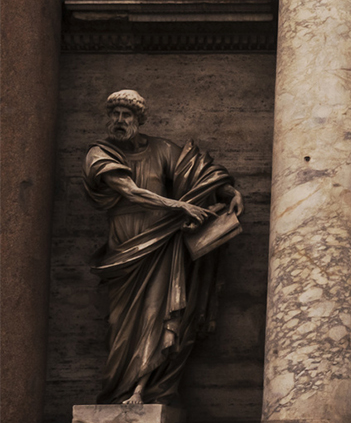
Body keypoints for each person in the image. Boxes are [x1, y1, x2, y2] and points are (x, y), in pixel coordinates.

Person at [83, 90, 242, 405]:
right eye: (114, 114)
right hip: (125, 248)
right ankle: (118, 391)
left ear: (140, 120)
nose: (119, 120)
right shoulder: (99, 154)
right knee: (119, 323)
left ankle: (142, 391)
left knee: (158, 314)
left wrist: (227, 192)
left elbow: (196, 172)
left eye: (126, 115)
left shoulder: (162, 150)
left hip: (163, 245)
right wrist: (181, 207)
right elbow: (132, 192)